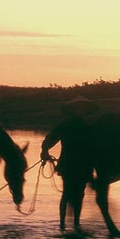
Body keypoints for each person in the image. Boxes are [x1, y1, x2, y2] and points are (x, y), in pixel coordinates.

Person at [40, 96, 98, 229]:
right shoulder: (69, 126)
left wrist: (45, 151)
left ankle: (75, 223)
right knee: (67, 193)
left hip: (81, 165)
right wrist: (45, 151)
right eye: (78, 109)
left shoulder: (89, 127)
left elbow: (97, 146)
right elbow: (50, 140)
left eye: (83, 109)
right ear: (73, 111)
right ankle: (63, 223)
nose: (81, 111)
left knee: (79, 193)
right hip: (71, 164)